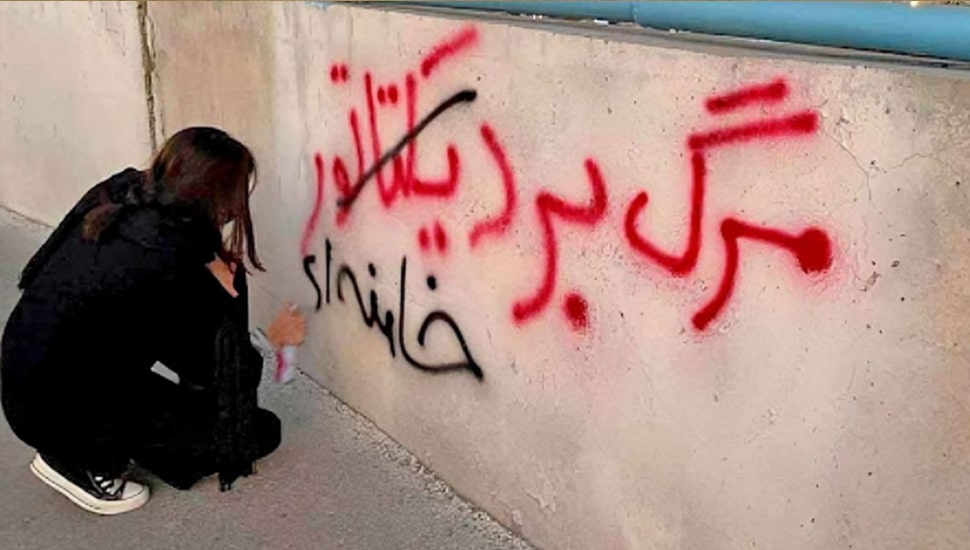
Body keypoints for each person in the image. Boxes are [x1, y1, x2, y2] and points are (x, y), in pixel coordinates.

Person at [0, 127, 306, 515]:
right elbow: (219, 375)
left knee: (169, 400)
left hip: (30, 372)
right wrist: (228, 295)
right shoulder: (169, 263)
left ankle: (96, 436)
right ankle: (76, 461)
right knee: (256, 433)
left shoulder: (120, 191)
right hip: (56, 410)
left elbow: (37, 270)